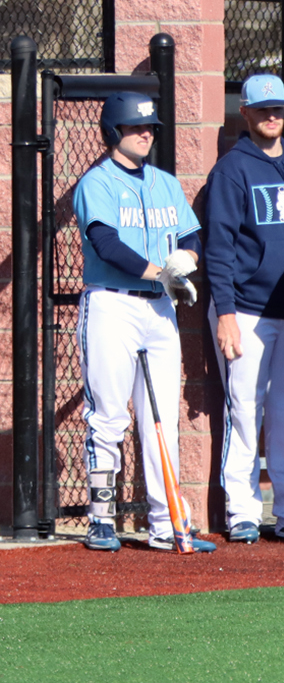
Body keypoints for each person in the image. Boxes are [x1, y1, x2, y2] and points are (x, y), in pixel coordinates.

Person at [75, 91, 210, 553]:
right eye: (136, 127)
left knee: (162, 420)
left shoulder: (165, 183)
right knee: (109, 418)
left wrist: (185, 261)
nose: (146, 133)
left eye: (150, 127)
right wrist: (162, 272)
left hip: (158, 308)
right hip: (112, 305)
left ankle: (166, 523)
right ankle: (100, 520)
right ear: (114, 131)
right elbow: (105, 243)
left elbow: (192, 233)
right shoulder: (98, 182)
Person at [203, 74, 284, 544]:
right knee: (244, 410)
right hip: (248, 310)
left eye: (278, 109)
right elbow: (218, 247)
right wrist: (227, 311)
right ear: (247, 114)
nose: (272, 116)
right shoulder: (231, 169)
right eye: (263, 110)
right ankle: (243, 511)